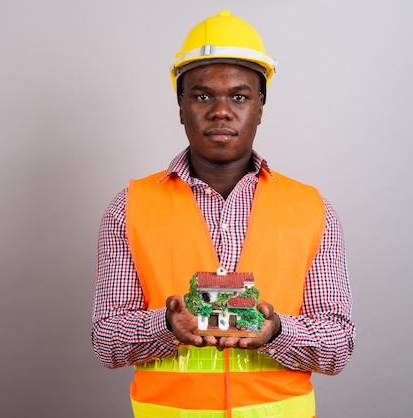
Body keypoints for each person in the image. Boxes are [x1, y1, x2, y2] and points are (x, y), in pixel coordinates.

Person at [91, 10, 355, 418]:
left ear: (261, 106)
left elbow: (338, 346)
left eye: (239, 95)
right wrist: (165, 326)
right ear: (180, 106)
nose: (220, 111)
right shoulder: (130, 206)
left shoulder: (310, 209)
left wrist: (276, 332)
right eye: (201, 95)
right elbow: (107, 341)